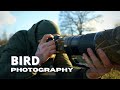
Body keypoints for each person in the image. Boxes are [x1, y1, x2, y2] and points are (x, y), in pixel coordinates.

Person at [0, 19, 117, 79]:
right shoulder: (20, 39)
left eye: (53, 41)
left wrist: (89, 74)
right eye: (45, 42)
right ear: (36, 41)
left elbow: (65, 71)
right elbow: (4, 71)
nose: (49, 46)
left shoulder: (56, 46)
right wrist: (36, 60)